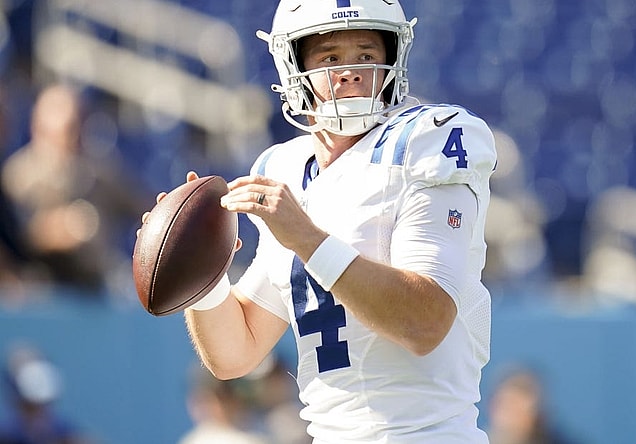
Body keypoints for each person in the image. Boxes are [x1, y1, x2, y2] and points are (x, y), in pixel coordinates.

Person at [145, 1, 497, 442]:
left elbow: (424, 322)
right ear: (293, 69)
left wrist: (308, 240)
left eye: (366, 56)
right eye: (330, 58)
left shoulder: (427, 138)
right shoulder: (284, 166)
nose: (349, 72)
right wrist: (201, 270)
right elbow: (235, 354)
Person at [2, 83, 148, 294]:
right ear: (39, 128)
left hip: (96, 289)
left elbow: (142, 205)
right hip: (44, 290)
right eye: (66, 130)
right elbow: (15, 238)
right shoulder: (18, 177)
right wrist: (61, 229)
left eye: (78, 127)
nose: (73, 139)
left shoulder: (99, 172)